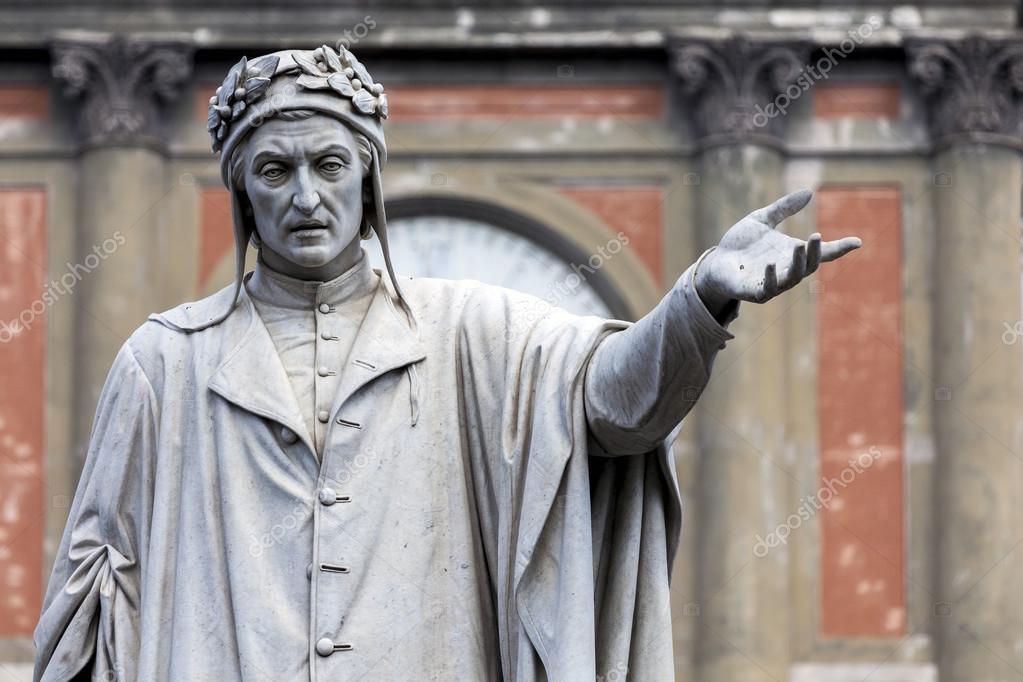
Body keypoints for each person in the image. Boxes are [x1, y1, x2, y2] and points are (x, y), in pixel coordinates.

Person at [33, 45, 859, 681]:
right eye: (273, 172)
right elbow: (92, 602)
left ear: (368, 178)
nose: (305, 196)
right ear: (243, 192)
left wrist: (695, 303)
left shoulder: (475, 331)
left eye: (328, 165)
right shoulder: (165, 363)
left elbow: (611, 404)